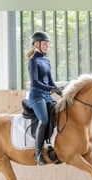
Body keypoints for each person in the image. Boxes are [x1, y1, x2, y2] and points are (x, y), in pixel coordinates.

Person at [26, 31, 62, 165]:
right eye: (44, 44)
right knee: (45, 120)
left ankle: (54, 146)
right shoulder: (33, 61)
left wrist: (59, 90)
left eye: (47, 44)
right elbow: (35, 82)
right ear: (36, 44)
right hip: (37, 96)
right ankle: (38, 153)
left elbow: (50, 80)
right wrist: (50, 89)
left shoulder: (46, 60)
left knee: (59, 115)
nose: (47, 46)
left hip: (47, 96)